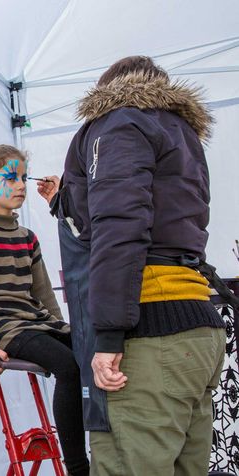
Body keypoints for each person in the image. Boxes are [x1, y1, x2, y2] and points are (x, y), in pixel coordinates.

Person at [42, 56, 226, 475]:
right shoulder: (181, 134)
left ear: (106, 91)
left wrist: (107, 337)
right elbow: (159, 217)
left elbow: (119, 227)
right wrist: (64, 200)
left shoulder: (118, 124)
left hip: (149, 332)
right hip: (198, 325)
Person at [0, 145, 90, 476]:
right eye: (9, 178)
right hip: (7, 329)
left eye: (22, 178)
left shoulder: (28, 238)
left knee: (92, 351)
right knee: (69, 368)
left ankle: (107, 447)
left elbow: (44, 293)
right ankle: (78, 467)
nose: (20, 186)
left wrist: (64, 330)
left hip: (37, 324)